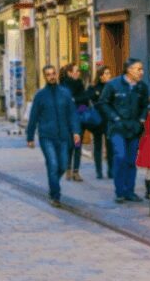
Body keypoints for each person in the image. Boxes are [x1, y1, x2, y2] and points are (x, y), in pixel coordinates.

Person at [26, 65, 80, 208]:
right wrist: (30, 136)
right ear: (44, 77)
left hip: (64, 136)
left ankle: (53, 183)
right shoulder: (40, 95)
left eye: (53, 73)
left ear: (56, 74)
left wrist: (76, 131)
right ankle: (55, 195)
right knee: (53, 164)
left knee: (62, 164)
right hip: (47, 136)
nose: (51, 76)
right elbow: (33, 117)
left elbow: (72, 113)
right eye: (48, 74)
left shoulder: (65, 93)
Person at [98, 58, 150, 204]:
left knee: (130, 160)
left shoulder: (142, 87)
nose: (141, 72)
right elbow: (103, 103)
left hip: (134, 128)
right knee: (120, 156)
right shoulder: (113, 85)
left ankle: (130, 191)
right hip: (117, 129)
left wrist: (141, 119)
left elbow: (146, 105)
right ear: (129, 69)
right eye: (138, 69)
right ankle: (119, 191)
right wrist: (115, 118)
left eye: (142, 69)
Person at [60, 63, 91, 182]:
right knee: (69, 146)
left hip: (79, 118)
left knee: (78, 146)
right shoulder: (63, 86)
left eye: (79, 71)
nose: (78, 73)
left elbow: (85, 101)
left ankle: (76, 172)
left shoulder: (80, 84)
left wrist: (77, 102)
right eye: (76, 71)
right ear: (69, 73)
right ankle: (68, 169)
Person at [86, 66, 114, 179]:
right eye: (106, 73)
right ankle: (99, 170)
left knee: (110, 146)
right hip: (97, 120)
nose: (108, 75)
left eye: (109, 73)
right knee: (97, 145)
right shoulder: (93, 88)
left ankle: (110, 170)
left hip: (108, 120)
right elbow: (89, 101)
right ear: (100, 75)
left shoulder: (112, 87)